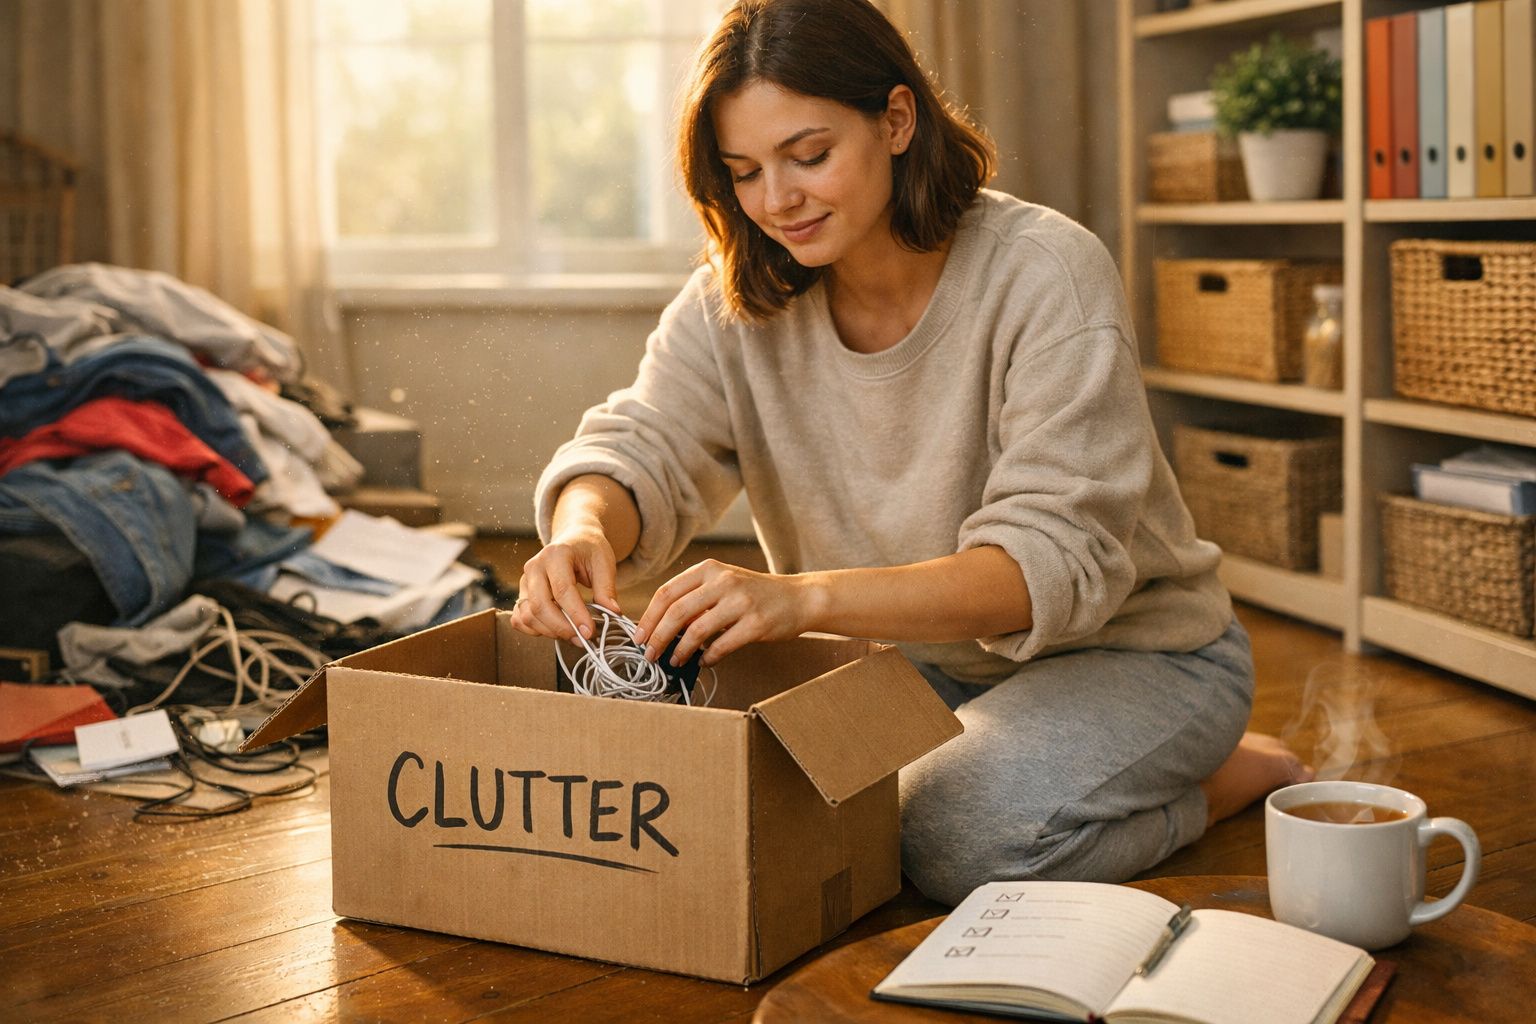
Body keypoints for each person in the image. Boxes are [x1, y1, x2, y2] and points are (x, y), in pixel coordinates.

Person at [511, 0, 1310, 906]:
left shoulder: (1046, 273)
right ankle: (1036, 761)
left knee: (949, 837)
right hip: (918, 662)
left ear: (896, 121)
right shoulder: (733, 303)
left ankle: (1216, 780)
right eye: (745, 172)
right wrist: (582, 530)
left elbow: (1040, 563)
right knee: (728, 779)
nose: (778, 199)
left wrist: (801, 599)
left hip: (1137, 660)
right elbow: (641, 442)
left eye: (810, 155)